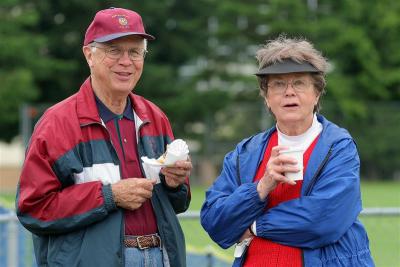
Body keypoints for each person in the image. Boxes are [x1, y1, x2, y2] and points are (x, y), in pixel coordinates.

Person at [16, 7, 192, 267]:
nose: (126, 61)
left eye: (134, 52)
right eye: (114, 51)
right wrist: (109, 196)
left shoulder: (155, 117)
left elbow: (177, 203)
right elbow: (33, 209)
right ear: (89, 55)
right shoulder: (57, 123)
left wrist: (174, 184)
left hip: (160, 257)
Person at [200, 36, 374, 266]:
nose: (289, 92)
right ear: (266, 97)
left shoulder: (338, 147)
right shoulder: (245, 153)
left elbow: (324, 218)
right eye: (279, 84)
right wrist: (261, 187)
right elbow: (215, 221)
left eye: (299, 83)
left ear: (317, 93)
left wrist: (253, 226)